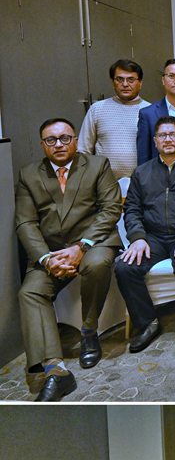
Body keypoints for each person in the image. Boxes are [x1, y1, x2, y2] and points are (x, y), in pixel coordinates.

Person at [15, 117, 122, 398]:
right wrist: (47, 259)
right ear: (42, 145)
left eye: (65, 138)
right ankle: (56, 368)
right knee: (30, 292)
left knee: (98, 264)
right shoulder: (28, 174)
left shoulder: (98, 165)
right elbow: (26, 223)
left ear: (75, 140)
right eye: (51, 140)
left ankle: (89, 333)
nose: (59, 144)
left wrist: (81, 247)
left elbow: (111, 209)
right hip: (51, 252)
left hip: (93, 242)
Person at [115, 116, 175, 351]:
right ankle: (148, 322)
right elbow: (132, 210)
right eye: (162, 135)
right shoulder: (142, 172)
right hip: (153, 237)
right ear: (155, 141)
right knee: (124, 268)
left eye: (173, 135)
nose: (168, 139)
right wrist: (137, 238)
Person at [78, 58, 151, 179]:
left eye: (131, 79)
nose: (125, 84)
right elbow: (83, 150)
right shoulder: (97, 109)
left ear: (140, 82)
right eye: (120, 79)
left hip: (141, 182)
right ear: (112, 82)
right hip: (104, 182)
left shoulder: (150, 110)